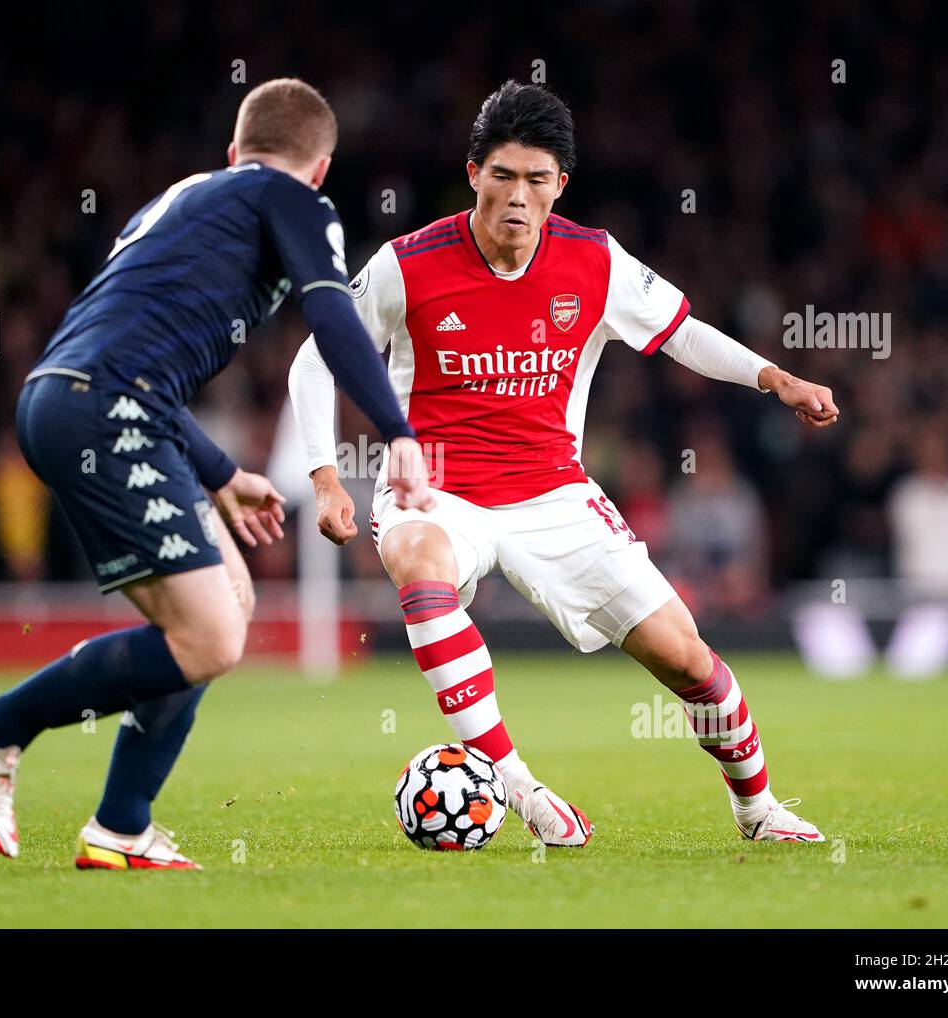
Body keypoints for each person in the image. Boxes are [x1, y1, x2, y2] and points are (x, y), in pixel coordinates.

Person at [289, 81, 839, 845]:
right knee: (419, 563)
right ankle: (518, 788)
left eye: (537, 179)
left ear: (560, 186)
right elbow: (316, 360)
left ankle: (758, 809)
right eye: (505, 175)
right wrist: (323, 476)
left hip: (555, 494)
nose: (519, 195)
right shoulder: (406, 265)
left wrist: (775, 378)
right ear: (475, 171)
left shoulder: (595, 261)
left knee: (686, 659)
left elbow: (681, 333)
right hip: (437, 489)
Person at [0, 78, 433, 870]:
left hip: (69, 399)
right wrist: (396, 428)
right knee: (209, 637)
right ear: (320, 170)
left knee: (228, 602)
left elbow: (132, 348)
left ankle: (121, 826)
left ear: (232, 153)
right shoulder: (295, 201)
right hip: (107, 409)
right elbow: (334, 311)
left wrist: (222, 472)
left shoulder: (177, 203)